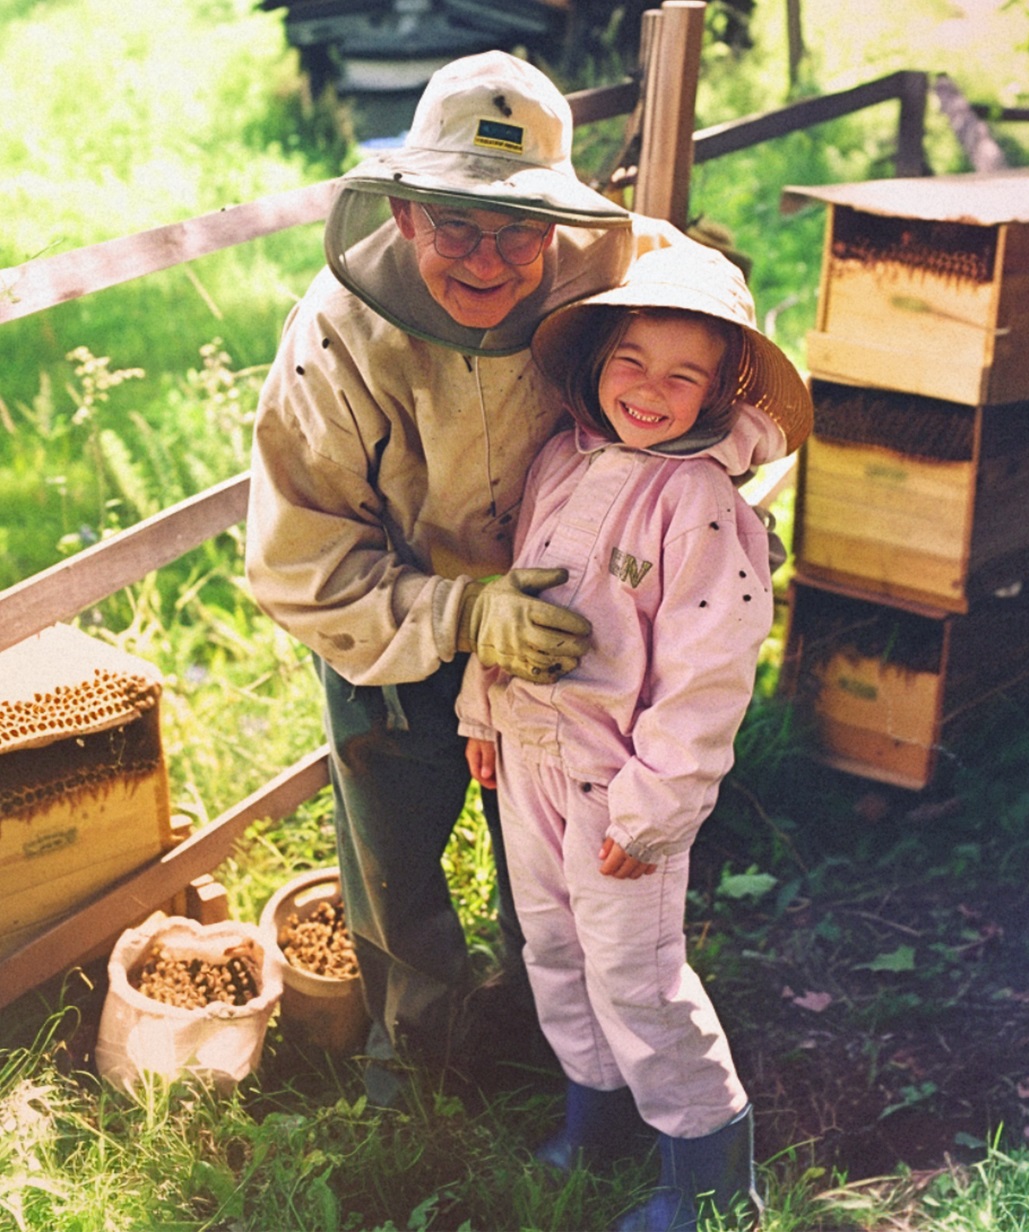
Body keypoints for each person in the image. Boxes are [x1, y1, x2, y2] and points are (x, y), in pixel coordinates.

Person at [244, 50, 695, 1085]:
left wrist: (709, 486)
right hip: (391, 628)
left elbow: (711, 325)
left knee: (552, 839)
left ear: (559, 226)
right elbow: (296, 556)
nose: (487, 258)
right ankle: (420, 1055)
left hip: (562, 623)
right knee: (395, 859)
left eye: (518, 229)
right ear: (404, 215)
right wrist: (458, 611)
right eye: (456, 224)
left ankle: (568, 1038)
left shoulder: (615, 274)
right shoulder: (336, 336)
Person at [455, 244, 813, 1229]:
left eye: (682, 374)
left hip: (620, 787)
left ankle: (711, 1172)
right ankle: (597, 1115)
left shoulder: (698, 503)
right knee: (553, 945)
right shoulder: (563, 457)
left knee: (636, 971)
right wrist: (483, 709)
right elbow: (515, 589)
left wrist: (655, 806)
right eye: (633, 360)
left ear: (720, 389)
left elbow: (706, 674)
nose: (650, 389)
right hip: (530, 756)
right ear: (601, 355)